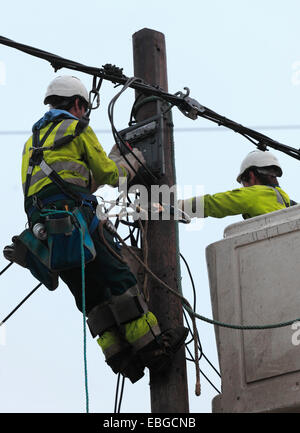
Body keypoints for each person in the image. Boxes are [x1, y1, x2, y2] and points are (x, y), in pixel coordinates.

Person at [15, 75, 187, 383]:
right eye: (85, 109)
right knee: (119, 281)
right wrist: (131, 161)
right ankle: (153, 349)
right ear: (79, 104)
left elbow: (48, 185)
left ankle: (123, 360)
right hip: (79, 222)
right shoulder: (77, 128)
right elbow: (109, 173)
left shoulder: (31, 143)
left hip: (48, 237)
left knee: (91, 297)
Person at [178, 149, 294, 220]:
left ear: (251, 176)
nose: (244, 188)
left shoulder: (256, 195)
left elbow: (214, 203)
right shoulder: (287, 203)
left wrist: (178, 207)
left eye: (244, 184)